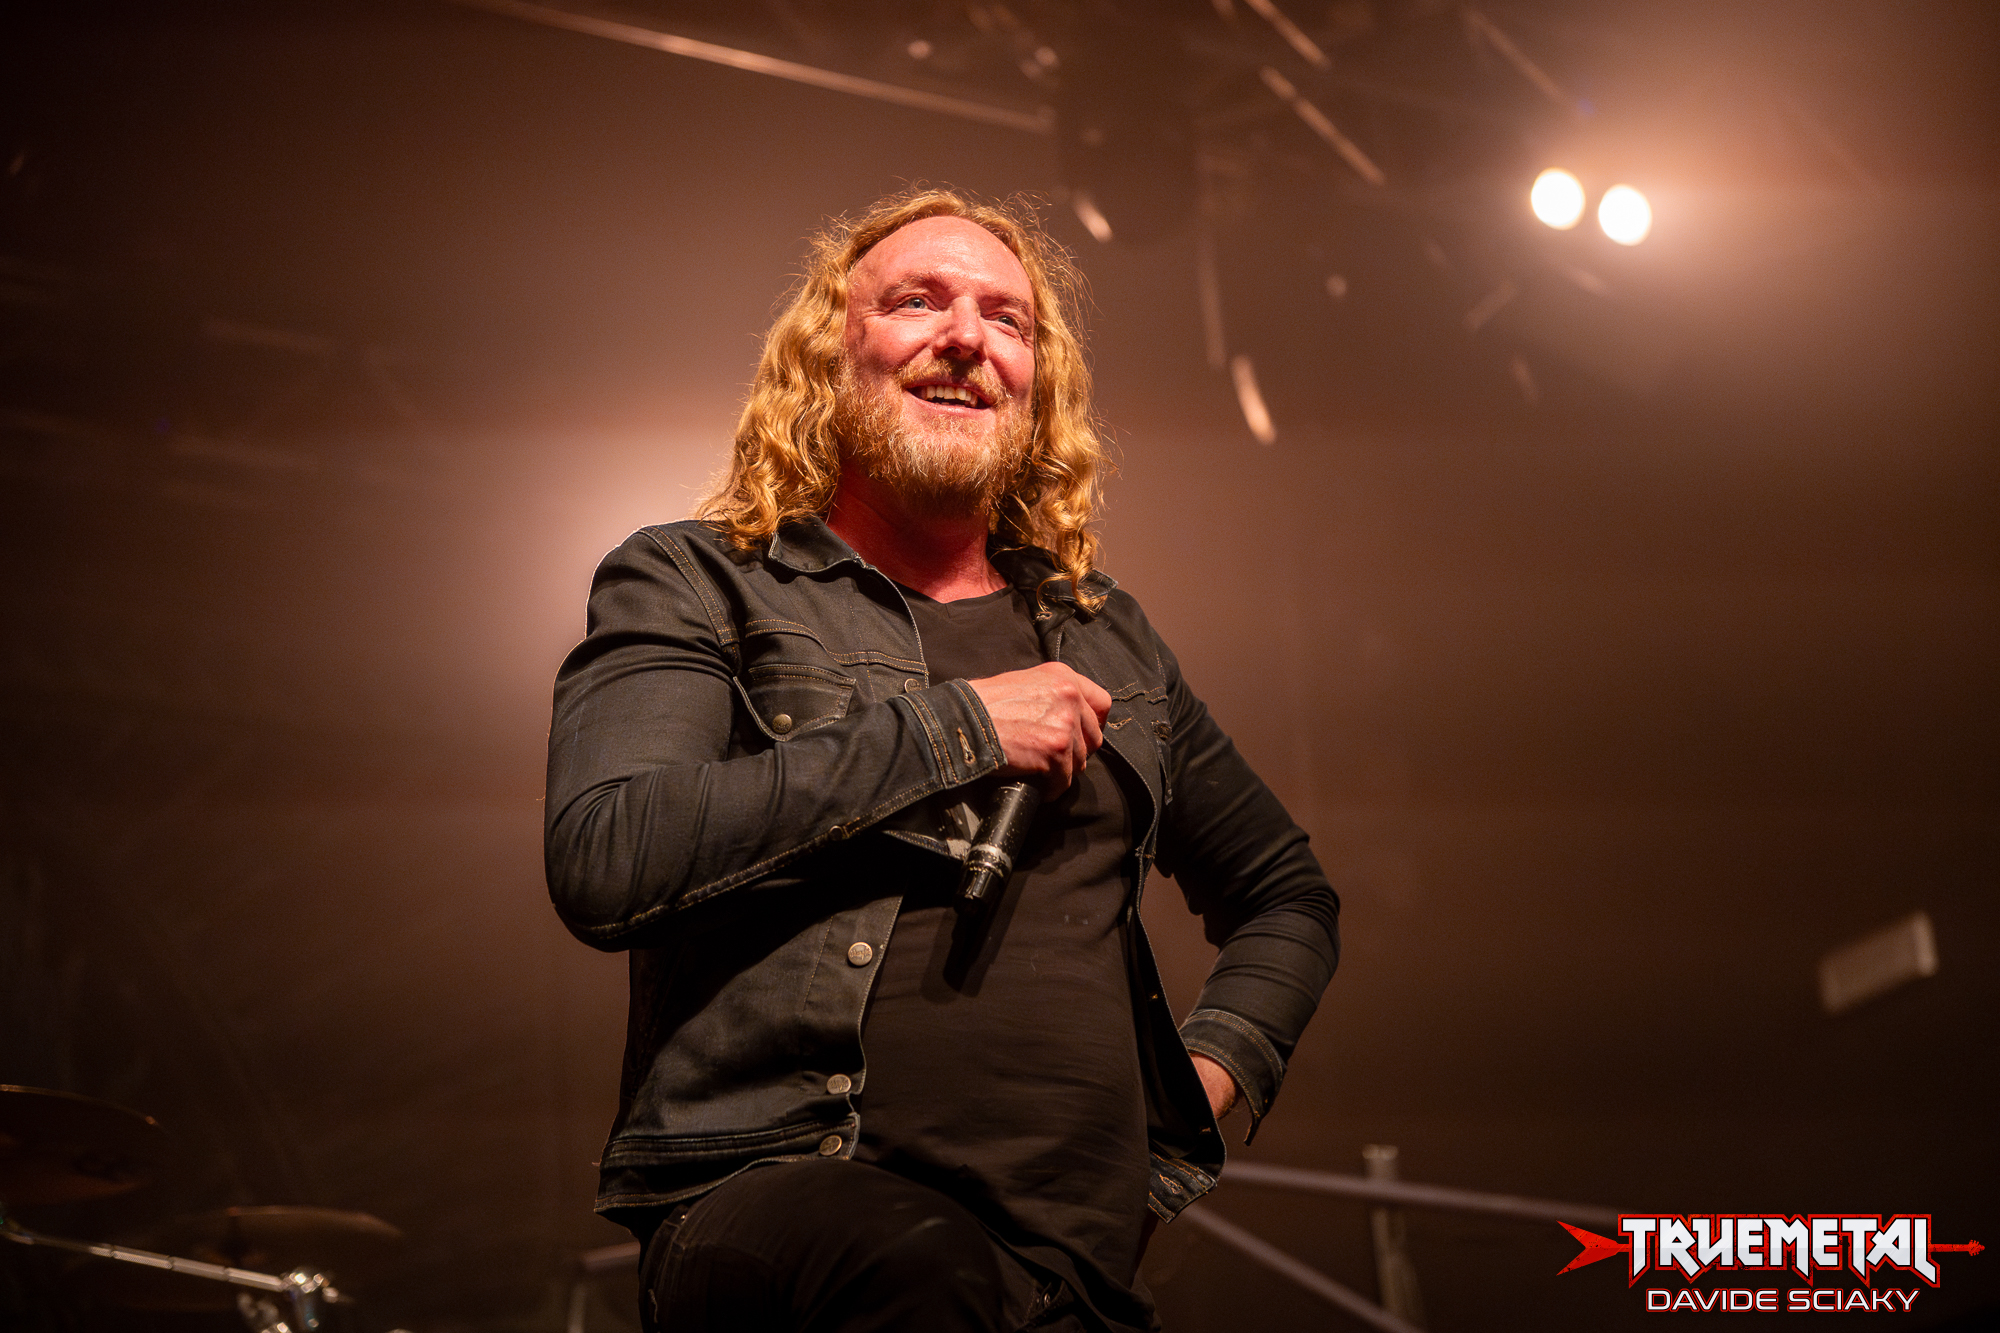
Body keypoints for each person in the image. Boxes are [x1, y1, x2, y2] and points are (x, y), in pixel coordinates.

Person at [544, 188, 1340, 1333]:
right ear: (827, 359)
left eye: (1006, 319)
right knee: (915, 1267)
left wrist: (1198, 1088)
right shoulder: (699, 581)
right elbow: (607, 853)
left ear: (1035, 385)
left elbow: (1286, 895)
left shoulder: (1105, 637)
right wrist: (959, 729)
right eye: (916, 301)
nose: (966, 335)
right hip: (792, 1206)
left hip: (1075, 1260)